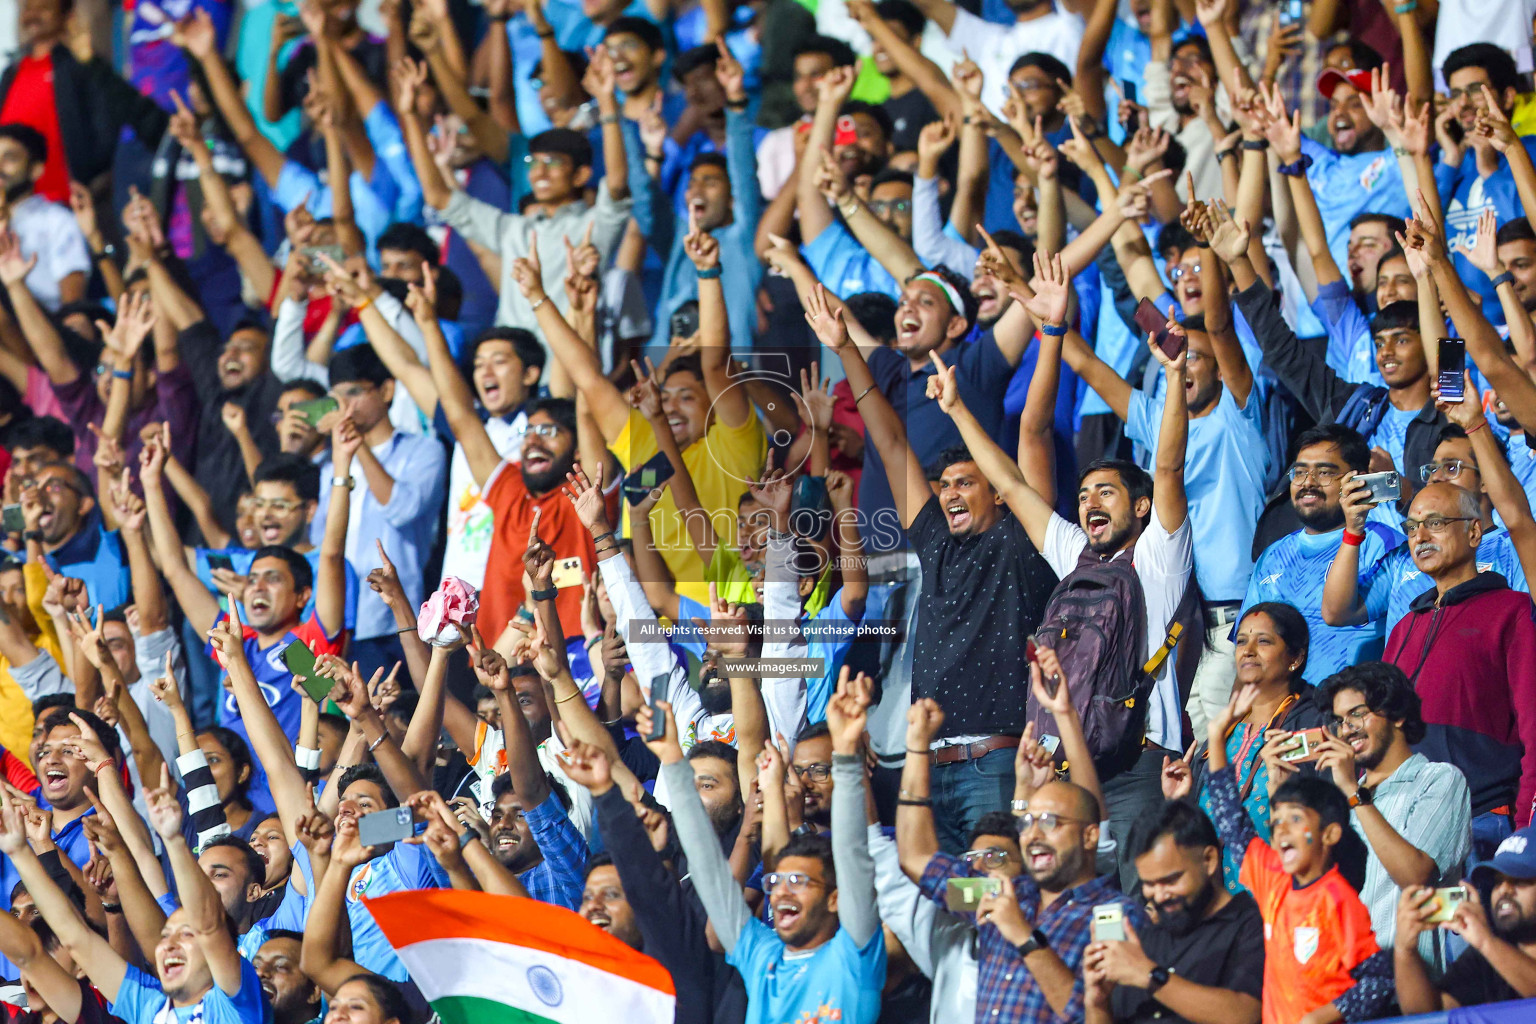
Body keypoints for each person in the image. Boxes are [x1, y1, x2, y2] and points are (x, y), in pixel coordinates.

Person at [801, 275, 1057, 847]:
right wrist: (845, 347)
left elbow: (1035, 431)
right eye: (944, 486)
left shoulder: (1024, 544)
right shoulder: (936, 541)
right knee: (946, 898)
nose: (950, 495)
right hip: (927, 770)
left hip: (995, 767)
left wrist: (1054, 331)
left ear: (1001, 492)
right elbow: (890, 442)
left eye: (967, 484)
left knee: (998, 895)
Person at [645, 670, 887, 1024]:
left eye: (799, 882)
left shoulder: (855, 958)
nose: (780, 893)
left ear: (836, 898)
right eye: (775, 882)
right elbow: (713, 877)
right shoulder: (762, 955)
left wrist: (848, 757)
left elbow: (853, 856)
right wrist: (672, 761)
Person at [1202, 684, 1395, 1024]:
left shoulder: (1337, 900)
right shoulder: (1273, 878)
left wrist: (1319, 1018)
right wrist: (1217, 736)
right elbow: (1230, 819)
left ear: (1330, 834)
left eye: (1295, 820)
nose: (1281, 830)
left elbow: (1379, 980)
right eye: (1276, 822)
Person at [1381, 481, 1536, 836]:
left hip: (1481, 818)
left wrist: (1527, 824)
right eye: (1411, 527)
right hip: (1403, 819)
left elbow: (1533, 723)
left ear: (1474, 531)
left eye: (1435, 523)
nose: (1419, 536)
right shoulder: (1405, 625)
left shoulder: (1511, 611)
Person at [1310, 662, 1472, 962]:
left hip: (1409, 986)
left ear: (1396, 715)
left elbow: (1415, 876)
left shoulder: (1439, 779)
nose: (1347, 729)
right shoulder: (1342, 798)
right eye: (1340, 720)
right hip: (1340, 982)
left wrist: (1353, 794)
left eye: (1357, 713)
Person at [1242, 424, 1401, 683]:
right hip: (1280, 718)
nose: (1308, 483)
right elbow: (1246, 655)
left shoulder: (1389, 545)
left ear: (1358, 480)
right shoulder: (1272, 556)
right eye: (1300, 472)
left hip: (1353, 712)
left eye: (1324, 472)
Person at [1083, 800, 1265, 1024]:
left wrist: (1149, 975)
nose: (1159, 896)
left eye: (1170, 880)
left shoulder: (1252, 927)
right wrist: (1098, 1003)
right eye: (1149, 884)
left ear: (1209, 860)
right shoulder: (1147, 939)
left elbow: (1245, 1014)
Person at [1395, 823, 1536, 1012]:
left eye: (1518, 880)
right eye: (1498, 881)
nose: (1504, 890)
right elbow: (1427, 1014)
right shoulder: (1488, 953)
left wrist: (1486, 942)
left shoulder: (1490, 945)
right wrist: (1405, 951)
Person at [0, 124, 88, 310]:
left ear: (36, 170)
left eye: (10, 159)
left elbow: (73, 307)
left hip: (43, 326)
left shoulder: (56, 220)